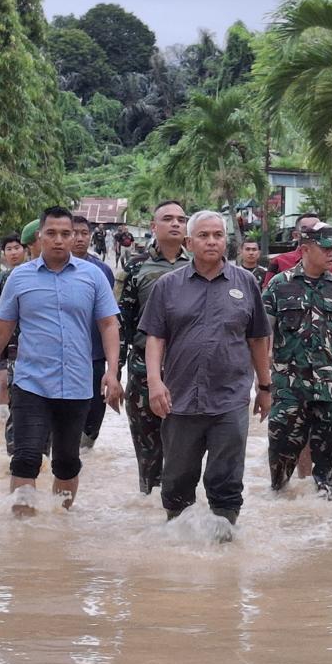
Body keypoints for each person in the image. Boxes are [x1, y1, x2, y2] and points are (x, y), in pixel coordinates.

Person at [0, 206, 123, 515]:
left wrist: (112, 372)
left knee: (66, 462)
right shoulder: (19, 279)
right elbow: (0, 329)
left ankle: (60, 524)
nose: (59, 240)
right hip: (31, 383)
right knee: (25, 457)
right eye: (52, 233)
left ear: (75, 236)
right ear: (39, 238)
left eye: (66, 234)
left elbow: (108, 324)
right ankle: (24, 533)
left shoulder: (93, 277)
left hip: (77, 384)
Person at [140, 210, 272, 526]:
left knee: (226, 483)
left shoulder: (246, 283)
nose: (211, 241)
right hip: (180, 400)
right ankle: (176, 547)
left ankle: (224, 546)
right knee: (176, 483)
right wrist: (155, 382)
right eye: (203, 235)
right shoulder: (167, 286)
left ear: (226, 240)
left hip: (230, 400)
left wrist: (265, 388)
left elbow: (257, 339)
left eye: (217, 235)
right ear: (189, 242)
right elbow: (155, 338)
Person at [262, 223, 332, 500]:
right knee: (281, 458)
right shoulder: (279, 286)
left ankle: (327, 518)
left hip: (331, 390)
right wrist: (261, 382)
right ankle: (281, 514)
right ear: (305, 249)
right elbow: (261, 336)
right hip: (289, 389)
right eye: (326, 248)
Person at [119, 201, 190, 494]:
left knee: (186, 447)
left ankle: (179, 507)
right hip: (143, 369)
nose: (175, 224)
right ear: (153, 227)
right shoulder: (135, 267)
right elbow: (122, 320)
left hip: (186, 369)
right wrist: (114, 372)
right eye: (168, 219)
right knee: (148, 447)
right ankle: (149, 502)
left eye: (181, 219)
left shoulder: (199, 264)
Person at [71, 214, 117, 450]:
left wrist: (114, 367)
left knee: (94, 412)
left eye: (84, 233)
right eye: (74, 233)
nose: (79, 239)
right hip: (65, 356)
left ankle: (86, 452)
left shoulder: (102, 271)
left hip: (95, 354)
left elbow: (109, 319)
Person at [0, 232, 27, 407]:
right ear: (4, 253)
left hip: (27, 336)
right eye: (9, 249)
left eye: (17, 248)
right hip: (4, 336)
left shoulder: (33, 274)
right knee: (3, 382)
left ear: (25, 249)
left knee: (23, 383)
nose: (13, 252)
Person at [262, 213, 332, 288]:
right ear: (296, 235)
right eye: (306, 229)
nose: (313, 232)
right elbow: (267, 293)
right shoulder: (279, 262)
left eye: (317, 228)